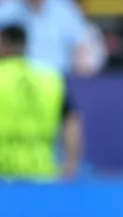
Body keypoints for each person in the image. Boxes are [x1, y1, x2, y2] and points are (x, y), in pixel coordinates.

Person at [0, 24, 82, 180]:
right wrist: (70, 166)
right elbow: (72, 122)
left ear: (4, 44)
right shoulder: (51, 78)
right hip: (43, 176)